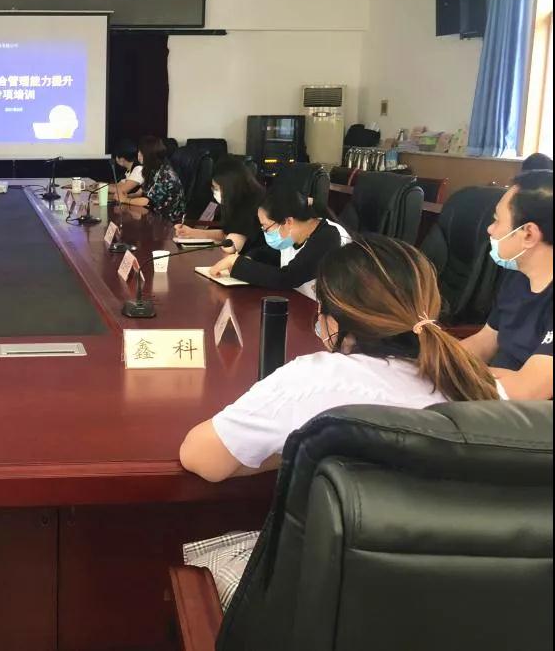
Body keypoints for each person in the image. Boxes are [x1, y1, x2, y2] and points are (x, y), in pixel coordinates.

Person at [178, 235, 502, 610]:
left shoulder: (315, 379)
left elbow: (203, 459)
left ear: (333, 320)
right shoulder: (482, 386)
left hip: (329, 599)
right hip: (452, 601)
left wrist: (304, 448)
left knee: (192, 559)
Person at [461, 169, 552, 400]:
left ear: (528, 234)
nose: (490, 229)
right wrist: (434, 359)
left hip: (524, 416)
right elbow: (485, 342)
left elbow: (526, 390)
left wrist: (454, 373)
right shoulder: (518, 277)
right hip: (493, 397)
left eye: (497, 220)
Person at [205, 187, 350, 299]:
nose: (265, 232)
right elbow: (269, 253)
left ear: (288, 221)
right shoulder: (295, 233)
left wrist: (237, 263)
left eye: (266, 227)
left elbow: (288, 277)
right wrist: (249, 258)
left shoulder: (328, 237)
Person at [174, 156, 266, 255]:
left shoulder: (250, 206)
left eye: (217, 188)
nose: (214, 192)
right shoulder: (237, 200)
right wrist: (191, 232)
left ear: (230, 188)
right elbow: (226, 233)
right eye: (213, 188)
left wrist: (198, 242)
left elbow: (231, 247)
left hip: (254, 259)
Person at [117, 135, 186, 223]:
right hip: (152, 216)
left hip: (168, 222)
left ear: (149, 155)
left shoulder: (165, 175)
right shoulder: (153, 169)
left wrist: (125, 200)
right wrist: (128, 196)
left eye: (141, 153)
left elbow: (147, 201)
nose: (138, 155)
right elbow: (141, 192)